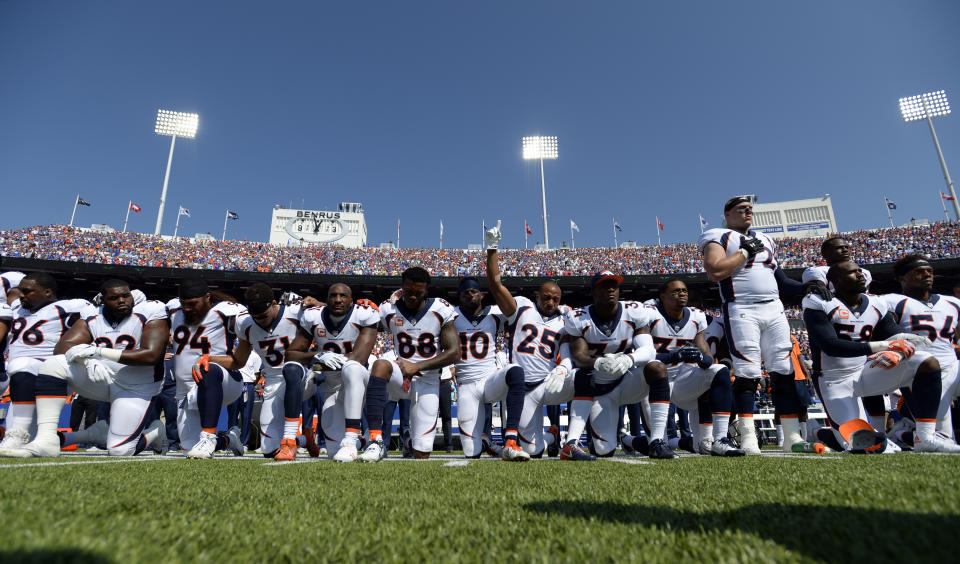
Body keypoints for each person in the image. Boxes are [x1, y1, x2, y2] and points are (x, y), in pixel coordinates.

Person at [698, 196, 826, 454]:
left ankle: (791, 438)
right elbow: (715, 270)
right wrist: (745, 251)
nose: (748, 213)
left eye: (750, 210)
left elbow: (778, 278)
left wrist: (805, 287)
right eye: (741, 209)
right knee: (747, 372)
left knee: (783, 371)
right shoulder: (718, 235)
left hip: (774, 307)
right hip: (742, 307)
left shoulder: (766, 239)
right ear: (727, 214)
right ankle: (748, 438)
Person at [803, 260, 958, 453]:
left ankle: (925, 437)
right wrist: (883, 346)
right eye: (852, 272)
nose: (860, 274)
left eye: (860, 270)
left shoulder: (876, 303)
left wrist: (898, 351)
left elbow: (895, 335)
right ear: (834, 280)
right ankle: (818, 433)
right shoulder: (819, 302)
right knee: (865, 445)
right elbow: (830, 346)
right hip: (834, 379)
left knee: (926, 362)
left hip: (866, 372)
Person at [8, 279, 171, 457]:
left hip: (136, 387)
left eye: (126, 295)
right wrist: (85, 359)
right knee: (53, 365)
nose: (122, 300)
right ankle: (47, 439)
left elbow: (151, 355)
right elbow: (62, 348)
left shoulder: (150, 311)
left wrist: (98, 352)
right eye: (114, 297)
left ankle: (155, 431)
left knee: (120, 450)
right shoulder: (93, 313)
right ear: (103, 300)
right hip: (101, 378)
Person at [561, 270, 669, 459]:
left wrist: (629, 359)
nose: (611, 289)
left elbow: (649, 350)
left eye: (614, 285)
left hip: (628, 380)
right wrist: (600, 363)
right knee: (604, 450)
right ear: (593, 292)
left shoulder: (633, 311)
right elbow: (579, 357)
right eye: (604, 286)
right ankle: (628, 440)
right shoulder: (579, 317)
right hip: (600, 389)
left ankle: (657, 440)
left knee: (656, 367)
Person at [485, 221, 570, 458]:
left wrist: (563, 369)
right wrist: (492, 248)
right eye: (546, 297)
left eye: (555, 299)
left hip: (550, 383)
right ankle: (552, 434)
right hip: (524, 389)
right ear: (537, 296)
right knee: (534, 451)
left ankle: (575, 440)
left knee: (587, 379)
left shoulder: (565, 319)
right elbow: (495, 285)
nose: (550, 302)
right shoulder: (522, 307)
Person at [358, 267, 459, 461]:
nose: (412, 296)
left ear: (427, 289)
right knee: (380, 364)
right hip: (400, 376)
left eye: (418, 293)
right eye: (408, 291)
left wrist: (418, 366)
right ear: (402, 287)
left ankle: (411, 442)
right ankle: (375, 440)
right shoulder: (389, 309)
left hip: (427, 380)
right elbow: (358, 320)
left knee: (422, 454)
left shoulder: (440, 309)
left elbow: (455, 353)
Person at [637, 280, 743, 456]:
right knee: (653, 443)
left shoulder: (697, 317)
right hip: (650, 384)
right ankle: (628, 440)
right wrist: (674, 356)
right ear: (662, 296)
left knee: (719, 370)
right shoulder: (648, 314)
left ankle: (720, 439)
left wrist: (701, 358)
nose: (682, 294)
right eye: (676, 291)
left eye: (684, 291)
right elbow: (641, 356)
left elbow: (708, 355)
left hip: (682, 381)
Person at [218, 282, 319, 460]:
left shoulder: (295, 312)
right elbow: (238, 361)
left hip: (303, 377)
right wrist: (208, 359)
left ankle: (289, 440)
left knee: (291, 368)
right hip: (273, 383)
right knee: (269, 451)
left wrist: (319, 304)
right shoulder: (245, 322)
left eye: (263, 316)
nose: (260, 321)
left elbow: (332, 315)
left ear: (274, 304)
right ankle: (304, 439)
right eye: (255, 316)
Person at [0, 273, 95, 455]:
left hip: (53, 371)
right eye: (20, 290)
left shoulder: (68, 307)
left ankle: (17, 434)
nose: (21, 295)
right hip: (22, 379)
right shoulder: (16, 306)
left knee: (22, 363)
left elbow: (97, 324)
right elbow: (11, 288)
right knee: (32, 441)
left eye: (27, 291)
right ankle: (89, 435)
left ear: (47, 292)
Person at [287, 283, 379, 462]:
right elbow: (291, 354)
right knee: (333, 452)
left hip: (358, 385)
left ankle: (352, 441)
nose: (338, 300)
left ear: (351, 301)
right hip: (331, 389)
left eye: (343, 296)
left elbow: (357, 359)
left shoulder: (364, 314)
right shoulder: (313, 317)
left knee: (351, 368)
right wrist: (317, 354)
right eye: (333, 296)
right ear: (326, 300)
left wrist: (318, 364)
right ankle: (364, 440)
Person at [881, 255, 960, 442]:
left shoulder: (953, 302)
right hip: (919, 371)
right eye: (919, 272)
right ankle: (903, 435)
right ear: (902, 278)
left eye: (930, 271)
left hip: (953, 365)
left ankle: (907, 433)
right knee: (942, 438)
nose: (927, 275)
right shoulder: (890, 301)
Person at [451, 277, 529, 460]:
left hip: (490, 381)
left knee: (515, 371)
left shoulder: (495, 313)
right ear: (459, 297)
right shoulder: (450, 314)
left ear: (482, 295)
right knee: (472, 453)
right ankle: (486, 442)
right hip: (466, 386)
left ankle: (510, 440)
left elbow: (518, 310)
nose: (470, 295)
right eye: (465, 293)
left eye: (473, 292)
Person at [168, 279, 245, 459]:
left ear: (207, 297)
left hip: (224, 380)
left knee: (207, 369)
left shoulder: (224, 311)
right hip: (186, 391)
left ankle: (209, 435)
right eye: (184, 304)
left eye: (193, 304)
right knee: (190, 449)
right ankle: (228, 440)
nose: (187, 308)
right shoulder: (174, 313)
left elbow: (249, 325)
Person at [802, 237, 873, 291]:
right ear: (826, 253)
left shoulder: (864, 272)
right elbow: (820, 294)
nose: (845, 250)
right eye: (839, 248)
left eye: (846, 247)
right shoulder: (817, 271)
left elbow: (866, 295)